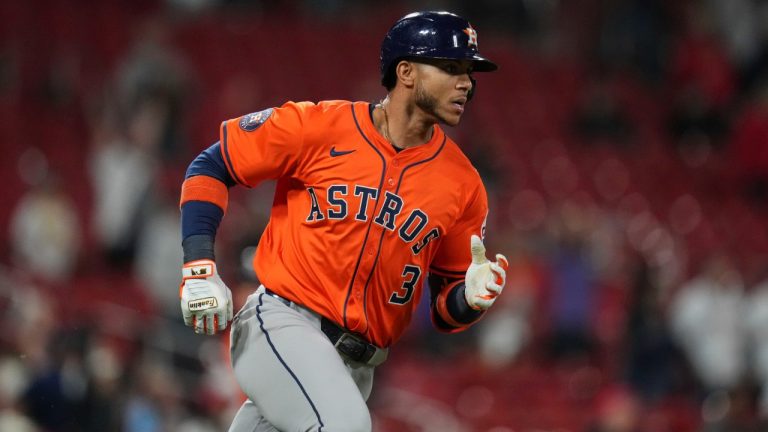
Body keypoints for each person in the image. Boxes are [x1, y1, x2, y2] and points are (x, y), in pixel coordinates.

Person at [178, 11, 509, 431]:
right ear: (405, 71)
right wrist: (199, 265)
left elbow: (445, 311)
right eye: (450, 68)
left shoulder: (464, 184)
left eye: (469, 72)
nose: (466, 82)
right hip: (283, 324)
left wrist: (471, 300)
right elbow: (211, 166)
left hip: (356, 366)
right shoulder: (318, 126)